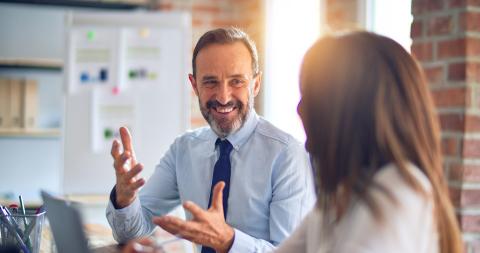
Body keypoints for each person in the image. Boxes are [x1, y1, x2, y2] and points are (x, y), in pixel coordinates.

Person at [106, 27, 315, 253]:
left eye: (236, 81)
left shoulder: (286, 155)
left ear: (255, 84)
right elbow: (132, 232)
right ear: (194, 85)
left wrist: (229, 241)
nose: (223, 97)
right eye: (210, 82)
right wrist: (125, 200)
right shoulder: (183, 149)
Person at [274, 31, 463, 253]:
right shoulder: (336, 199)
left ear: (349, 110)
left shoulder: (398, 191)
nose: (299, 108)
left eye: (311, 95)